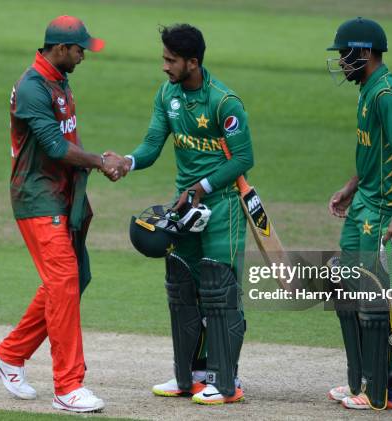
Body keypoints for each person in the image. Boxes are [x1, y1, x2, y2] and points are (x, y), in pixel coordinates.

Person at [0, 15, 128, 413]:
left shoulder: (60, 80)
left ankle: (8, 356)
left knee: (72, 279)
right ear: (60, 48)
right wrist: (100, 161)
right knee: (63, 281)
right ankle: (68, 387)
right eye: (80, 49)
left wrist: (86, 186)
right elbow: (55, 147)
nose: (83, 56)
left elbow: (67, 139)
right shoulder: (32, 87)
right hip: (36, 196)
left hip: (61, 194)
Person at [122, 23, 253, 405]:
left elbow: (245, 159)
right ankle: (190, 377)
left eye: (171, 60)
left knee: (219, 292)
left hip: (222, 205)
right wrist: (127, 162)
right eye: (163, 58)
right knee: (183, 287)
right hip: (186, 208)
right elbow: (151, 144)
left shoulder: (224, 102)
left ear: (192, 62)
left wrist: (202, 187)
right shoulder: (168, 94)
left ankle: (226, 381)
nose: (164, 66)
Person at [325, 17, 392, 410]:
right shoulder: (367, 89)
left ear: (364, 52)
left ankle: (391, 388)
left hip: (385, 208)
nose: (341, 62)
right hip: (366, 200)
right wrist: (351, 187)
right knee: (347, 281)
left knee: (374, 293)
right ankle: (363, 379)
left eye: (345, 54)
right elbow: (374, 151)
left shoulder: (387, 95)